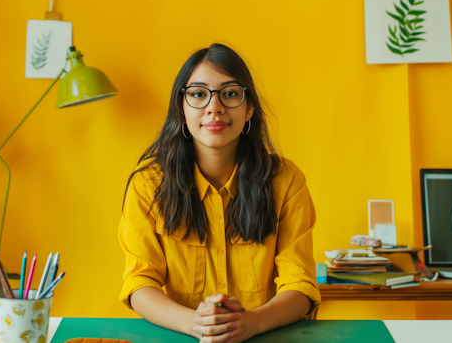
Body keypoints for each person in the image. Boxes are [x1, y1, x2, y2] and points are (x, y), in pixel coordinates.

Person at [119, 43, 320, 342]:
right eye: (199, 94)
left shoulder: (286, 180)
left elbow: (300, 286)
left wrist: (250, 324)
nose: (215, 107)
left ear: (249, 107)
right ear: (181, 107)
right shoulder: (148, 185)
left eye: (230, 93)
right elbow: (139, 283)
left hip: (264, 335)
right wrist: (197, 324)